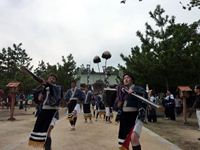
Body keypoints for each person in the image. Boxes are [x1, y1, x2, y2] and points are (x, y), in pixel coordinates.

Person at [28, 74, 63, 150]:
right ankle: (46, 146)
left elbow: (56, 96)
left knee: (48, 131)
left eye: (53, 79)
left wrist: (47, 85)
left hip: (53, 112)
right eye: (50, 78)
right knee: (43, 131)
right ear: (47, 79)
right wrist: (41, 90)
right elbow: (39, 99)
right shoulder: (44, 88)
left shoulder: (58, 88)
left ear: (55, 81)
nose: (51, 80)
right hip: (44, 111)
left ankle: (48, 148)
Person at [115, 73, 147, 150]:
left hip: (135, 116)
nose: (125, 79)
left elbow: (144, 94)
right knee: (122, 141)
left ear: (132, 80)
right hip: (124, 117)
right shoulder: (122, 90)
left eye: (128, 77)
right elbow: (118, 105)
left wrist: (134, 91)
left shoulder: (137, 88)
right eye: (124, 78)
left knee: (134, 138)